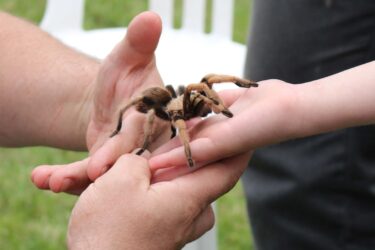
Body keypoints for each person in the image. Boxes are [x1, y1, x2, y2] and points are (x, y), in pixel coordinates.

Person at [0, 11, 249, 249]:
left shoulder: (191, 98)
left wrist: (93, 99)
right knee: (162, 106)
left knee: (201, 84)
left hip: (162, 108)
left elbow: (202, 87)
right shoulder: (167, 109)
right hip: (160, 110)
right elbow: (159, 113)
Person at [150, 1, 375, 249]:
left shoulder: (195, 94)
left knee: (311, 172)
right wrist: (289, 103)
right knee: (272, 161)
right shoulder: (165, 108)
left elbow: (203, 86)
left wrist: (287, 103)